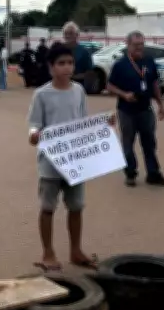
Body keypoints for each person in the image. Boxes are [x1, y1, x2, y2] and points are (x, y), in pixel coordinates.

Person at [27, 43, 107, 271]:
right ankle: (48, 253)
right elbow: (34, 125)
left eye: (70, 63)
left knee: (76, 207)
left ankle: (76, 250)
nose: (66, 68)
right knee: (47, 208)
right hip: (50, 163)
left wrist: (101, 130)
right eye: (61, 63)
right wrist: (35, 136)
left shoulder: (79, 91)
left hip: (75, 161)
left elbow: (83, 123)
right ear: (51, 67)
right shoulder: (41, 94)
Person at [107, 31, 164, 188]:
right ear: (128, 45)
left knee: (149, 143)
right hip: (126, 111)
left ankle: (153, 174)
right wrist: (124, 94)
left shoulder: (149, 61)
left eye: (142, 44)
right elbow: (109, 86)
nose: (140, 48)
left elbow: (154, 84)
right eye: (136, 45)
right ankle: (130, 173)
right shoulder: (120, 65)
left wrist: (161, 105)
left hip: (145, 110)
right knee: (128, 144)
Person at [61, 22, 92, 87]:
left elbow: (89, 73)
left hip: (77, 87)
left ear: (77, 35)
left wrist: (72, 77)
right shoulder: (58, 50)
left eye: (71, 33)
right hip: (60, 86)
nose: (68, 36)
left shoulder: (84, 52)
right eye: (66, 33)